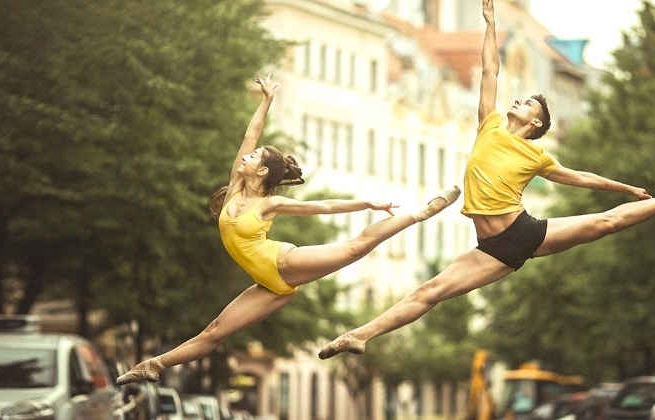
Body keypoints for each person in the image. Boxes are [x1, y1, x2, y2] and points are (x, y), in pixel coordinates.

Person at [317, 0, 655, 360]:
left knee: (605, 222)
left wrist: (624, 187)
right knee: (429, 292)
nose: (517, 101)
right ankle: (359, 336)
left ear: (536, 123)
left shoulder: (537, 154)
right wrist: (490, 23)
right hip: (492, 247)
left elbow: (579, 177)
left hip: (524, 232)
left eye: (527, 102)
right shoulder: (488, 125)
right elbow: (490, 69)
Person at [116, 74, 460, 385]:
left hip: (283, 264)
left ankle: (420, 213)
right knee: (215, 332)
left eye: (253, 159)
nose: (245, 160)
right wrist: (266, 100)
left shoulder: (269, 205)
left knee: (356, 248)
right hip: (269, 286)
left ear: (262, 172)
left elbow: (322, 207)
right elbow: (250, 135)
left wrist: (367, 204)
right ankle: (154, 365)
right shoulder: (236, 185)